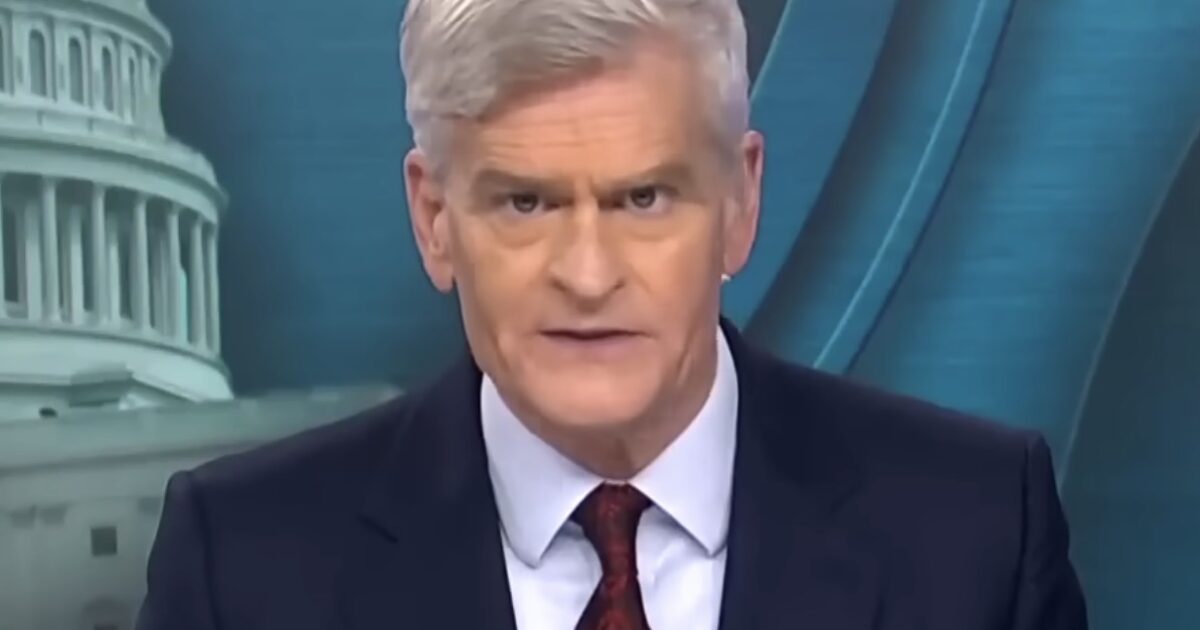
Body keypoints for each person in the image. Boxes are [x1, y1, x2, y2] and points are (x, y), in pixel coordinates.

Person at [136, 0, 1089, 628]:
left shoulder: (973, 537)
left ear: (740, 203)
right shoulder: (247, 570)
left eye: (644, 199)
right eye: (525, 203)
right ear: (434, 219)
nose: (588, 276)